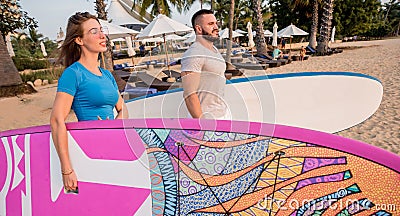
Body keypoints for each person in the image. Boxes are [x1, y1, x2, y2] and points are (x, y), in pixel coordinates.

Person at [50, 12, 128, 193]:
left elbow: (123, 108)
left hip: (114, 146)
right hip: (89, 150)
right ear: (79, 40)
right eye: (94, 32)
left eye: (101, 30)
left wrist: (113, 127)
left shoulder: (107, 74)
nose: (102, 36)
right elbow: (56, 120)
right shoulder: (73, 74)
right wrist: (66, 169)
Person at [181, 9, 229, 119]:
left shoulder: (214, 50)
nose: (216, 27)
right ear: (198, 28)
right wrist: (202, 124)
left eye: (216, 23)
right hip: (206, 118)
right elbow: (189, 95)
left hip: (222, 113)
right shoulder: (194, 54)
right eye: (211, 24)